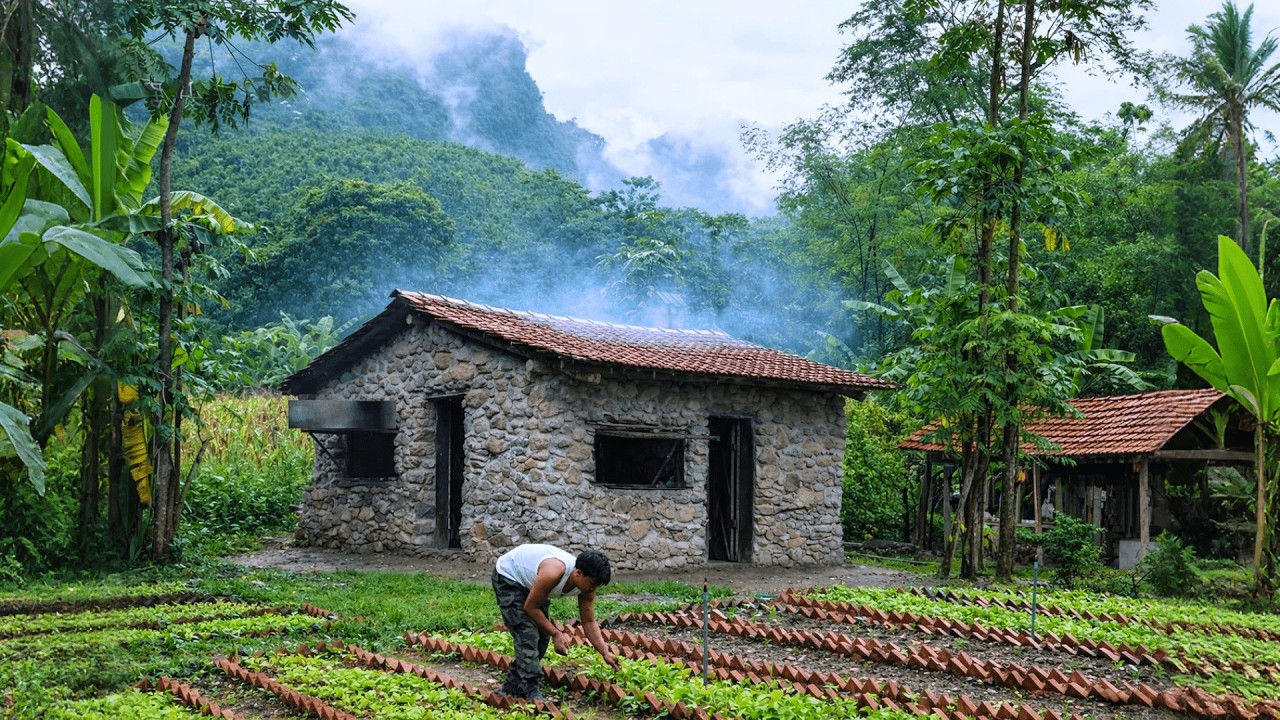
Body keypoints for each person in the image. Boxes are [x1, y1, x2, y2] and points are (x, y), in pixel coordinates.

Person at [491, 543, 619, 699]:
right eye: (592, 584)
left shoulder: (587, 587)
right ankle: (530, 690)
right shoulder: (553, 572)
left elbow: (589, 622)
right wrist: (556, 633)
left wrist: (605, 653)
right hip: (510, 576)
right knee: (527, 635)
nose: (593, 589)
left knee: (542, 639)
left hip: (533, 582)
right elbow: (531, 607)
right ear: (578, 573)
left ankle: (511, 687)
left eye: (597, 585)